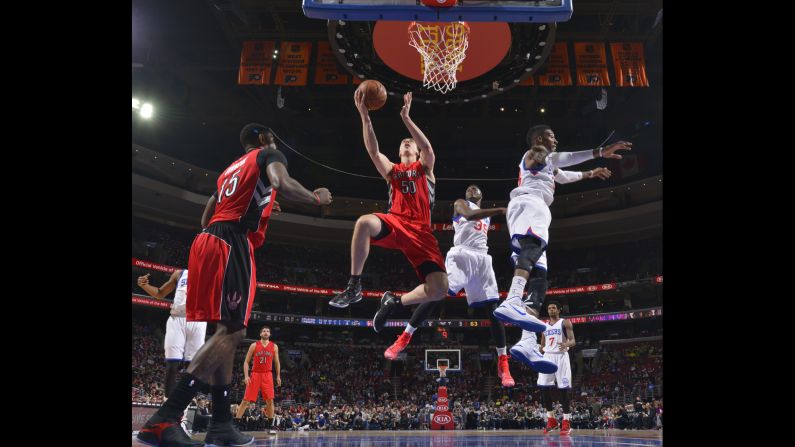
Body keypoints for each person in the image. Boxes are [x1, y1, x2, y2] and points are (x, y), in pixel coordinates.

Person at [137, 123, 332, 447]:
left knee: (224, 331)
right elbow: (283, 181)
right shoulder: (268, 154)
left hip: (208, 239)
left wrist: (260, 206)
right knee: (235, 332)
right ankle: (165, 418)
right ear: (262, 139)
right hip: (231, 244)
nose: (276, 140)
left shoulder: (229, 170)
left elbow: (206, 217)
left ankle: (221, 423)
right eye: (272, 136)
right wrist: (315, 197)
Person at [495, 124, 628, 372]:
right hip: (530, 203)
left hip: (529, 207)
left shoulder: (545, 164)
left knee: (540, 279)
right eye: (551, 136)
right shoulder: (534, 152)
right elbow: (560, 159)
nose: (555, 140)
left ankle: (527, 341)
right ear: (538, 138)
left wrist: (589, 174)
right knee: (534, 247)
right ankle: (512, 299)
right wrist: (599, 152)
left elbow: (560, 173)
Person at [329, 91, 448, 335]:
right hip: (395, 222)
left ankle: (394, 301)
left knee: (439, 290)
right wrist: (364, 116)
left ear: (415, 151)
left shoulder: (425, 168)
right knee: (364, 222)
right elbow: (373, 151)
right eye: (403, 141)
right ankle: (354, 286)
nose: (407, 141)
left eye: (410, 142)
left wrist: (406, 118)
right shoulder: (392, 171)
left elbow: (427, 146)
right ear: (399, 150)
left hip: (421, 233)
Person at [534, 301, 576, 435]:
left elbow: (573, 340)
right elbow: (542, 346)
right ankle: (551, 419)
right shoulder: (544, 326)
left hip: (561, 356)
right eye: (549, 308)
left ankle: (566, 422)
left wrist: (566, 344)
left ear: (559, 309)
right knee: (544, 388)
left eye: (553, 308)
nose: (551, 310)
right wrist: (536, 352)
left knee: (563, 390)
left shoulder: (565, 322)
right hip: (547, 356)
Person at [234, 326, 281, 435]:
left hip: (268, 375)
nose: (266, 332)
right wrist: (246, 376)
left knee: (270, 401)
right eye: (264, 331)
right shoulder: (254, 345)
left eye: (268, 331)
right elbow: (246, 362)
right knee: (245, 400)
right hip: (255, 374)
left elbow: (277, 362)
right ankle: (235, 425)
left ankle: (270, 426)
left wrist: (278, 376)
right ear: (260, 334)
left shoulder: (274, 346)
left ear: (270, 334)